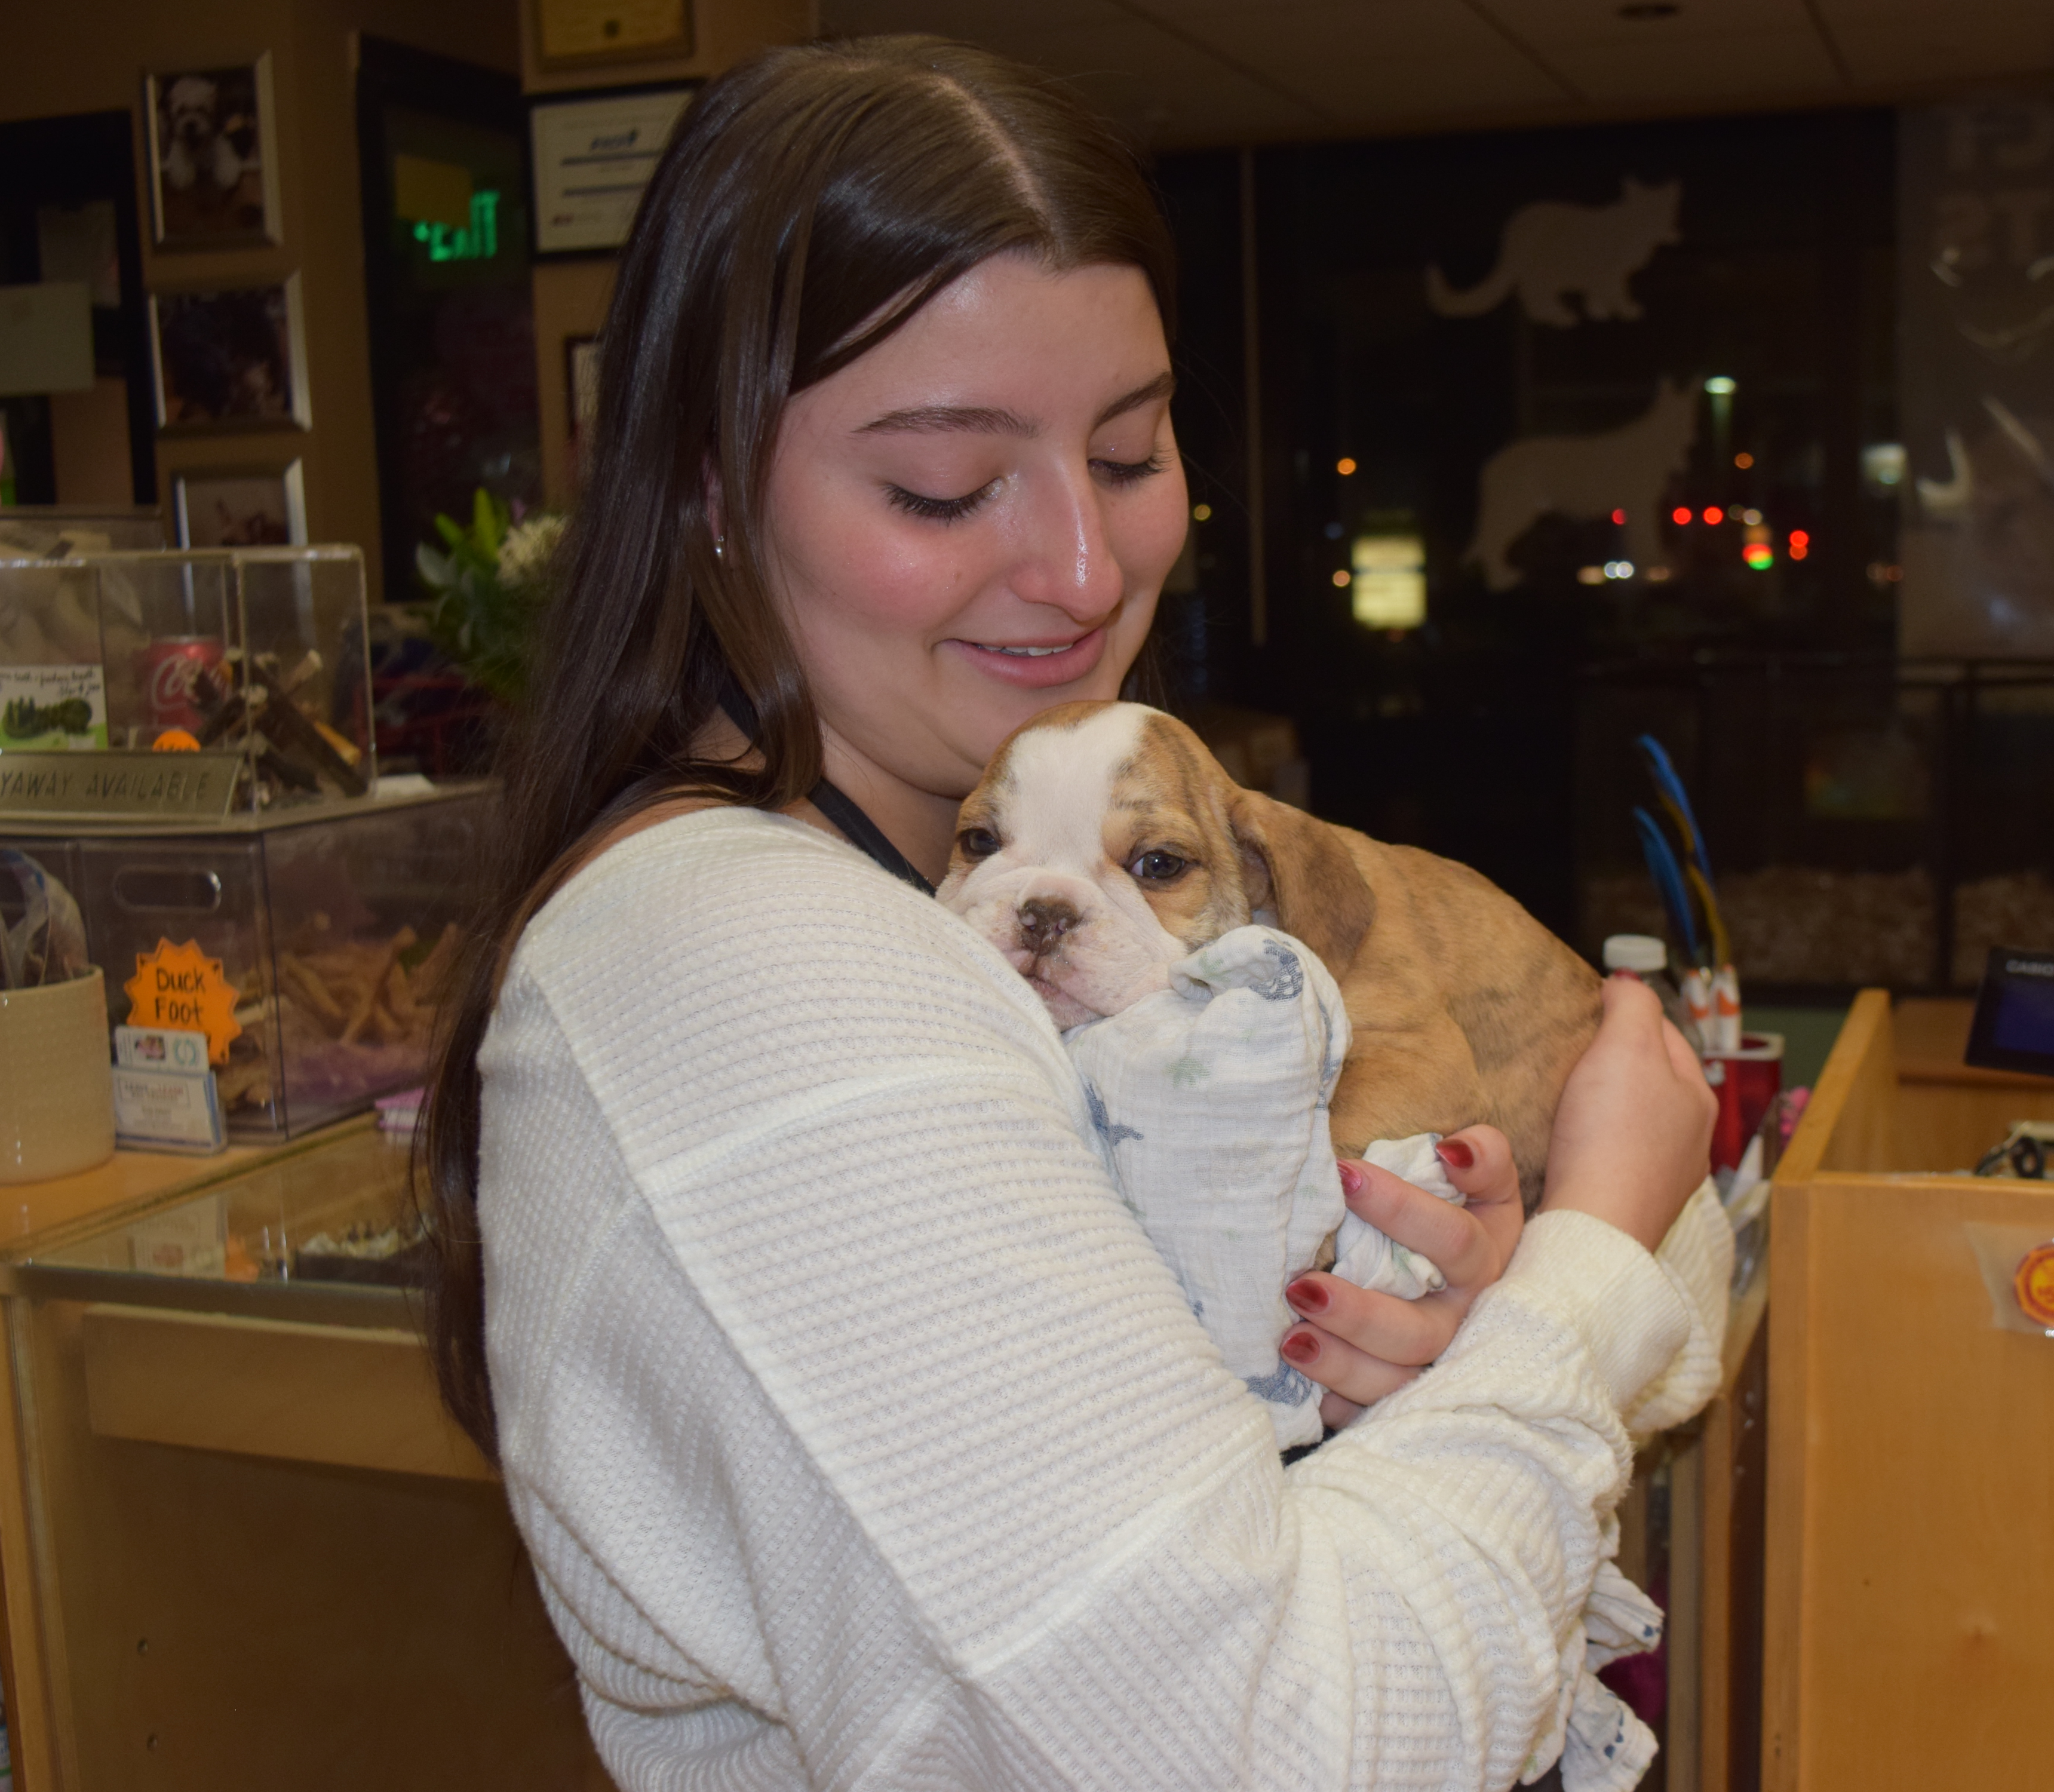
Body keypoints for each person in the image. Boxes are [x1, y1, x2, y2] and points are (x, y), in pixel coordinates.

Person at [416, 36, 1720, 1791]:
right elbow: (1293, 1753)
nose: (1088, 573)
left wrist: (1416, 1364)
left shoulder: (932, 887)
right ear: (712, 490)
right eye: (946, 487)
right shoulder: (750, 968)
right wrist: (1591, 1268)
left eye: (1129, 451)